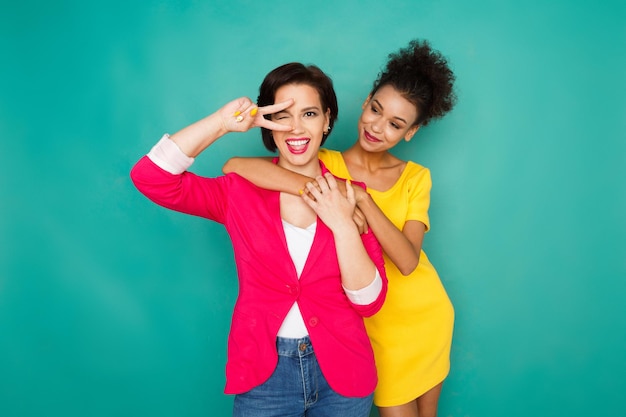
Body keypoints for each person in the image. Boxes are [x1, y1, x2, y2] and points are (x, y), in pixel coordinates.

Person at [130, 63, 388, 417]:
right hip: (265, 375)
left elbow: (370, 302)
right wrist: (222, 122)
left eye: (309, 113)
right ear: (266, 122)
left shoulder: (352, 197)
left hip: (344, 376)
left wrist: (343, 223)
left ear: (327, 120)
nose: (295, 127)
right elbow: (151, 178)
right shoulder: (239, 191)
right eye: (282, 115)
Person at [223, 40, 456, 417]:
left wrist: (360, 199)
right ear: (364, 102)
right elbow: (235, 167)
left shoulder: (415, 177)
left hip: (422, 317)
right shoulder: (322, 159)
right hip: (360, 327)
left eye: (396, 124)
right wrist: (319, 189)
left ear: (411, 132)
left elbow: (408, 261)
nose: (378, 127)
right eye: (376, 110)